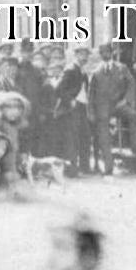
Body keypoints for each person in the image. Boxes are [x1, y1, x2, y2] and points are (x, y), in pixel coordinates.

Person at [86, 44, 136, 176]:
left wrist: (126, 100)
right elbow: (91, 95)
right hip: (103, 107)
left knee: (133, 115)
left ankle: (134, 146)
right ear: (100, 54)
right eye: (103, 53)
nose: (105, 55)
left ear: (112, 53)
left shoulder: (121, 68)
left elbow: (132, 83)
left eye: (108, 52)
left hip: (119, 105)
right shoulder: (96, 73)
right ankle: (108, 168)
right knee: (104, 136)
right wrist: (91, 112)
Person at [54, 47, 90, 175]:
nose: (84, 57)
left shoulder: (82, 70)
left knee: (84, 137)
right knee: (72, 139)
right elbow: (59, 89)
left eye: (86, 55)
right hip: (72, 109)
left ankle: (85, 168)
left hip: (82, 107)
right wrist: (70, 100)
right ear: (76, 55)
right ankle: (72, 170)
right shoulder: (70, 69)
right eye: (81, 54)